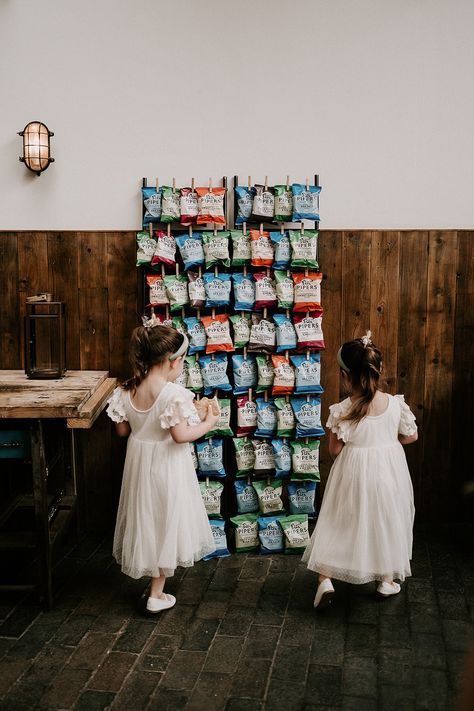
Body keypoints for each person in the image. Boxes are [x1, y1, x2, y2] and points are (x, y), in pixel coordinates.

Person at [106, 323, 219, 613]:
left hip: (139, 461)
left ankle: (155, 586)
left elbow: (122, 431)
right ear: (172, 361)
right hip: (167, 465)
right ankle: (157, 593)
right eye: (183, 360)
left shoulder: (128, 389)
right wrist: (209, 422)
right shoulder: (174, 394)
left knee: (147, 518)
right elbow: (180, 435)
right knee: (166, 519)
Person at [302, 331, 418, 609]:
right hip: (389, 472)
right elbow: (411, 436)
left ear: (345, 376)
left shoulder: (343, 409)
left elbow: (334, 451)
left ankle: (325, 579)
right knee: (386, 521)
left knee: (339, 522)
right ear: (379, 370)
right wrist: (388, 441)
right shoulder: (395, 405)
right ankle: (386, 580)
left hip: (353, 473)